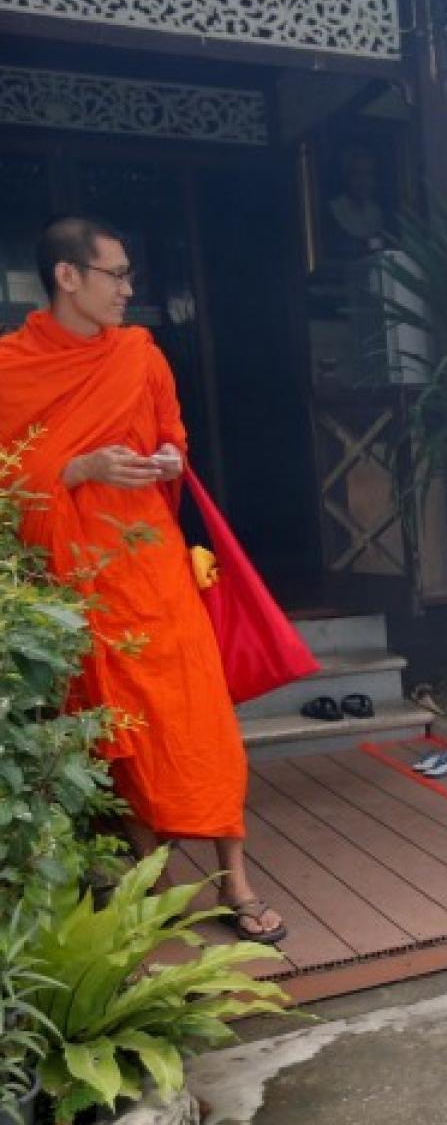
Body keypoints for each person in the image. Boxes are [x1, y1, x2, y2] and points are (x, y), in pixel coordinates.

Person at [0, 216, 285, 943]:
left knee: (199, 718)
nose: (130, 290)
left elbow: (174, 437)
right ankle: (146, 878)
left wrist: (166, 458)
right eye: (116, 274)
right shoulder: (11, 368)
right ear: (69, 276)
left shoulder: (140, 355)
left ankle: (236, 879)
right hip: (79, 576)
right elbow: (9, 481)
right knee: (116, 725)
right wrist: (75, 469)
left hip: (152, 564)